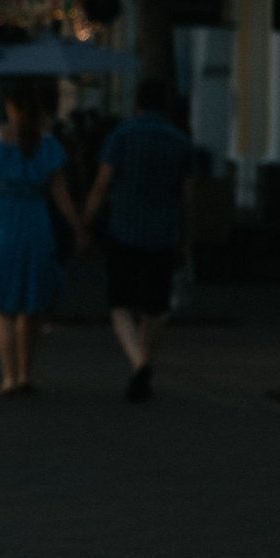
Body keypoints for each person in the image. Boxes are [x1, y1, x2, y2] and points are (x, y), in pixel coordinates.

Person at [86, 74, 198, 402]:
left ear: (137, 102)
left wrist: (85, 222)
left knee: (119, 304)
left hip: (123, 228)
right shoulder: (181, 142)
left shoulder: (121, 136)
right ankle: (144, 362)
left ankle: (138, 362)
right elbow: (189, 199)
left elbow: (101, 185)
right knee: (156, 307)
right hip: (162, 232)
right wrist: (186, 239)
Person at [0, 83, 83, 396]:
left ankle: (7, 376)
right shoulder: (45, 143)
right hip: (34, 218)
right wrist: (77, 226)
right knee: (32, 305)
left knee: (3, 306)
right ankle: (25, 373)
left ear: (9, 106)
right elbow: (60, 192)